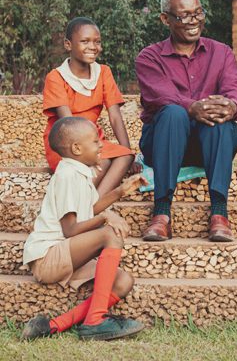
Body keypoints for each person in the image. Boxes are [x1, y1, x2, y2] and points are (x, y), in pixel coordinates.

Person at [135, 0, 237, 242]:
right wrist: (191, 108)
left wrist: (231, 106)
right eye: (184, 15)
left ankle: (219, 213)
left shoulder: (222, 52)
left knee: (219, 119)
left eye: (198, 13)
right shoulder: (149, 57)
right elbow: (160, 95)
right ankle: (161, 213)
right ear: (165, 19)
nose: (193, 21)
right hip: (164, 142)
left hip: (210, 145)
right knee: (173, 112)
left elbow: (235, 91)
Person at [21, 117, 148, 341]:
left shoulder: (80, 172)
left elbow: (89, 210)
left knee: (123, 281)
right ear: (77, 148)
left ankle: (52, 325)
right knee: (110, 233)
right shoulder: (67, 175)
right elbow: (70, 229)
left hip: (66, 254)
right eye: (95, 141)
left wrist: (120, 192)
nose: (101, 144)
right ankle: (95, 320)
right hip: (47, 257)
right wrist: (105, 217)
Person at [42, 16, 140, 196]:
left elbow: (115, 116)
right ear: (68, 44)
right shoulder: (56, 77)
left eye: (97, 42)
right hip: (66, 141)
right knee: (103, 161)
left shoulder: (103, 72)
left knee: (124, 156)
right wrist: (92, 149)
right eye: (85, 41)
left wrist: (128, 151)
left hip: (93, 140)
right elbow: (68, 122)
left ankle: (94, 205)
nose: (93, 47)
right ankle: (83, 208)